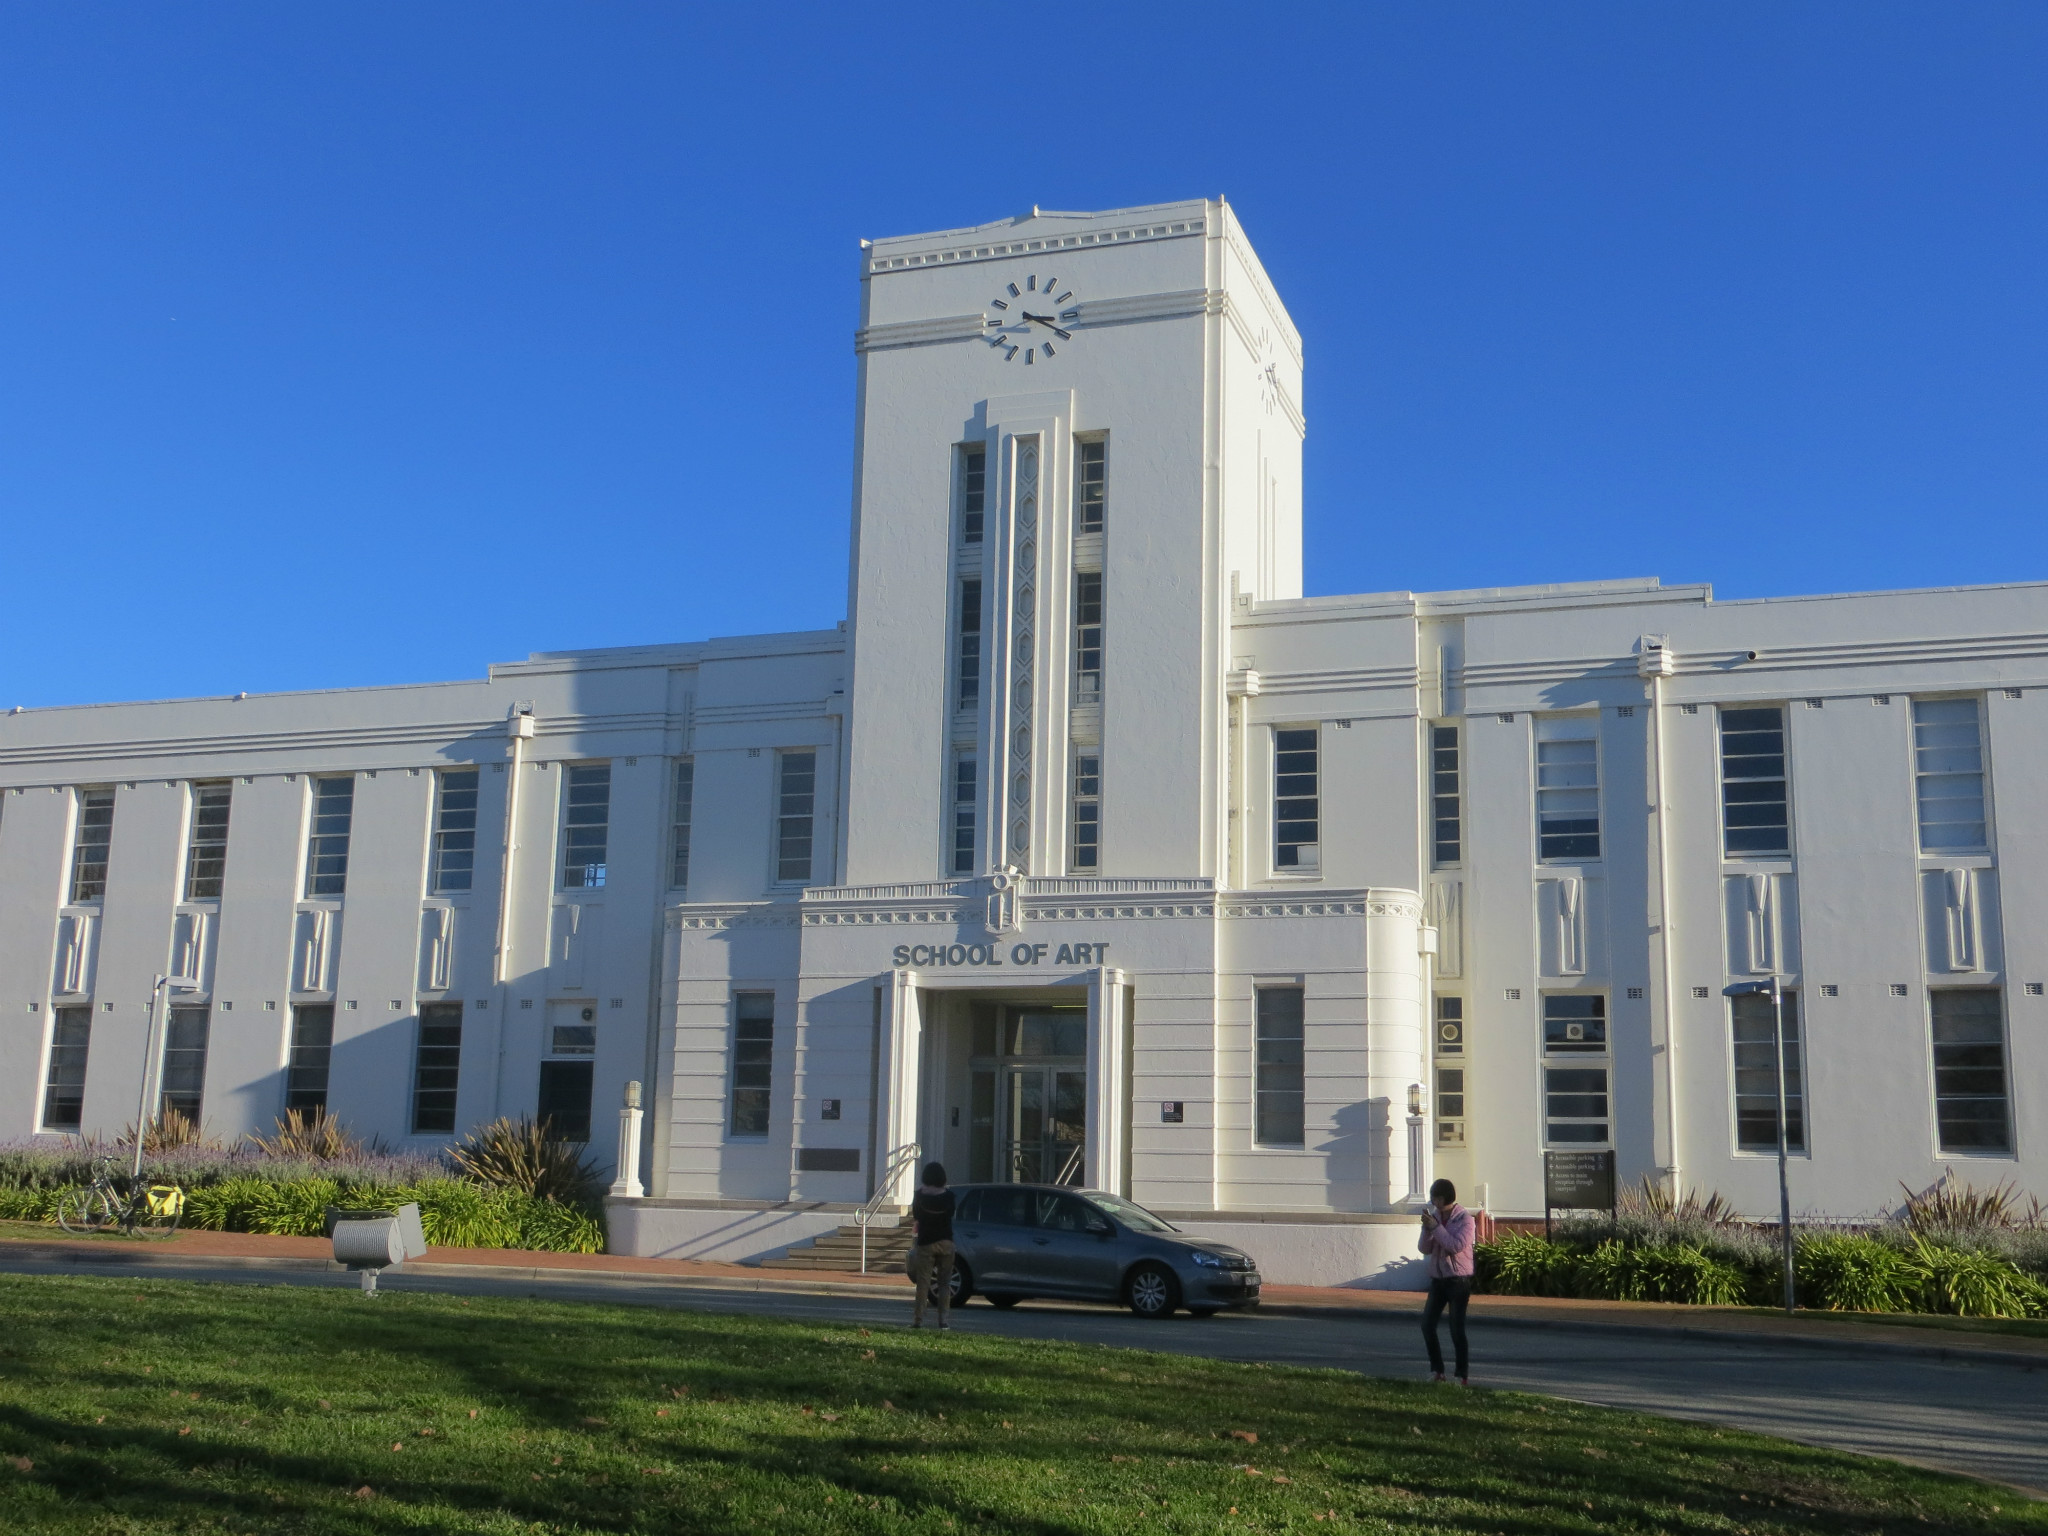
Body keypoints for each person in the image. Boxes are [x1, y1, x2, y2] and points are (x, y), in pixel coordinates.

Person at [1417, 1176, 1475, 1384]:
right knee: (1427, 1324)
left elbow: (1455, 1245)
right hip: (1438, 1279)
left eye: (1434, 1198)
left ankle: (1462, 1375)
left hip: (1458, 1281)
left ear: (1442, 1198)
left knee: (1456, 1329)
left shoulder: (1465, 1220)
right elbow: (1424, 1249)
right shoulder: (1435, 1218)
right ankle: (1437, 1371)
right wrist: (1427, 1228)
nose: (1433, 1202)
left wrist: (1436, 1228)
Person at [906, 1161, 957, 1330]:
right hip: (946, 1241)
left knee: (923, 1283)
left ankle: (918, 1320)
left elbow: (917, 1217)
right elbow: (950, 1214)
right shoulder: (950, 1196)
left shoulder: (919, 1196)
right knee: (944, 1283)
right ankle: (943, 1322)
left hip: (926, 1241)